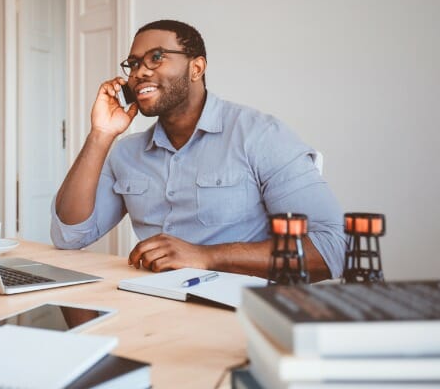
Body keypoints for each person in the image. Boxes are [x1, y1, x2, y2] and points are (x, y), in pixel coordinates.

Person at [50, 20, 345, 281]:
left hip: (241, 309)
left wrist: (207, 256)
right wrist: (100, 135)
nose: (140, 72)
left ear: (197, 68)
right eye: (134, 64)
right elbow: (69, 236)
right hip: (151, 303)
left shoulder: (260, 135)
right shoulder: (126, 153)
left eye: (156, 57)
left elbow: (333, 247)